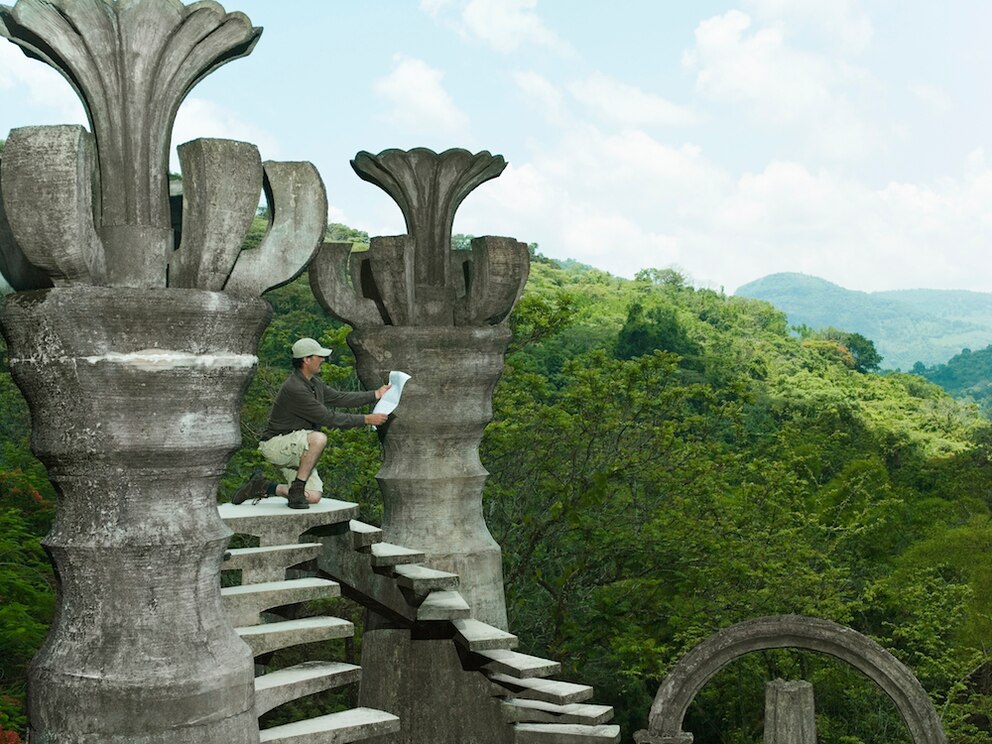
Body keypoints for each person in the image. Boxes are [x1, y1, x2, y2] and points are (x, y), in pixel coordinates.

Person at [232, 337, 390, 509]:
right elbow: (328, 418)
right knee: (318, 439)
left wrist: (375, 394)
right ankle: (298, 489)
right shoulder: (295, 388)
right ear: (306, 360)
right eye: (319, 356)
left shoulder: (313, 383)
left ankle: (262, 486)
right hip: (276, 444)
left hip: (296, 445)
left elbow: (339, 397)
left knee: (313, 497)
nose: (323, 360)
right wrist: (366, 419)